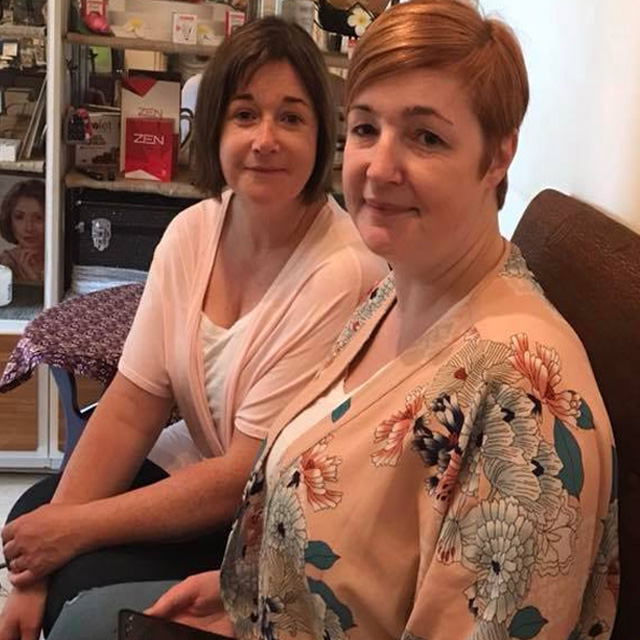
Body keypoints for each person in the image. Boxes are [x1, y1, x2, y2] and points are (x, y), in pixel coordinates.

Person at [42, 1, 620, 639]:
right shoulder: (395, 292)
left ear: (498, 155)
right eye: (367, 128)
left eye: (426, 137)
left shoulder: (528, 403)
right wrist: (245, 594)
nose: (379, 168)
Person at [0, 17, 387, 640]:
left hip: (270, 520)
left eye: (291, 117)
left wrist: (71, 533)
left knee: (79, 580)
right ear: (213, 129)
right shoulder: (194, 230)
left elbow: (244, 474)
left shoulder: (342, 272)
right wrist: (37, 565)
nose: (265, 139)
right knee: (33, 516)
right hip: (206, 472)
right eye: (244, 114)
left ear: (323, 135)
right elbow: (133, 404)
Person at [0, 179, 45, 284]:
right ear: (9, 220)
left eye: (38, 218)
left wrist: (34, 279)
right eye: (19, 217)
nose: (29, 228)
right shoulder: (4, 265)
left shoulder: (64, 260)